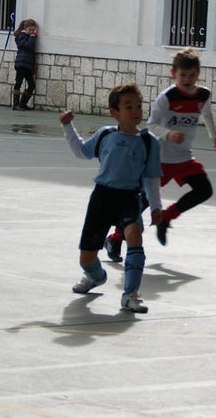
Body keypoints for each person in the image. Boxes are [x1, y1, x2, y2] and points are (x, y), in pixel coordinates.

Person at [104, 47, 216, 259]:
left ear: (199, 74)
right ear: (173, 74)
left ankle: (167, 217)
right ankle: (115, 238)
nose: (187, 79)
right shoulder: (167, 97)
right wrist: (169, 134)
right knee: (144, 201)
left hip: (184, 157)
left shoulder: (203, 95)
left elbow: (207, 114)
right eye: (183, 75)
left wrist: (214, 137)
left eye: (192, 75)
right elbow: (151, 124)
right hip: (159, 159)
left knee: (204, 190)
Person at [60, 83, 163, 313]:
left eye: (138, 105)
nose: (136, 110)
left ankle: (130, 294)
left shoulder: (149, 142)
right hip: (102, 197)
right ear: (114, 112)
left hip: (129, 197)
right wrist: (68, 127)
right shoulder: (105, 135)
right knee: (86, 258)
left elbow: (152, 178)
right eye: (129, 106)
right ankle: (95, 276)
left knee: (134, 235)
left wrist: (156, 207)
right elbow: (81, 151)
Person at [11, 18, 38, 110]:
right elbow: (28, 46)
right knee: (18, 82)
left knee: (31, 85)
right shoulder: (21, 36)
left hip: (28, 64)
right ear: (25, 28)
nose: (31, 32)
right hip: (21, 63)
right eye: (30, 30)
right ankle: (16, 104)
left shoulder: (30, 36)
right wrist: (32, 36)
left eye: (33, 30)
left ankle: (23, 103)